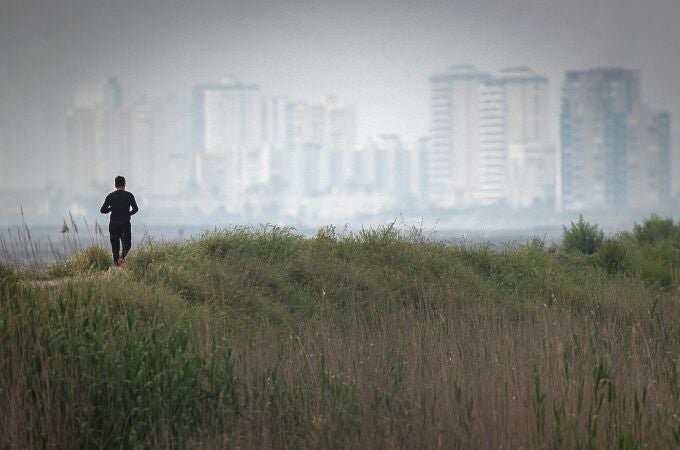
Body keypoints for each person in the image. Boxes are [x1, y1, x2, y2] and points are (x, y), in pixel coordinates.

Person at [100, 175, 138, 266]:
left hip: (113, 225)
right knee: (127, 246)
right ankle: (122, 259)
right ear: (124, 184)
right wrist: (128, 214)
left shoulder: (110, 196)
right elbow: (135, 209)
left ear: (115, 185)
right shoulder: (129, 195)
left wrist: (111, 209)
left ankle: (117, 266)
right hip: (125, 225)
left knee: (115, 248)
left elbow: (102, 210)